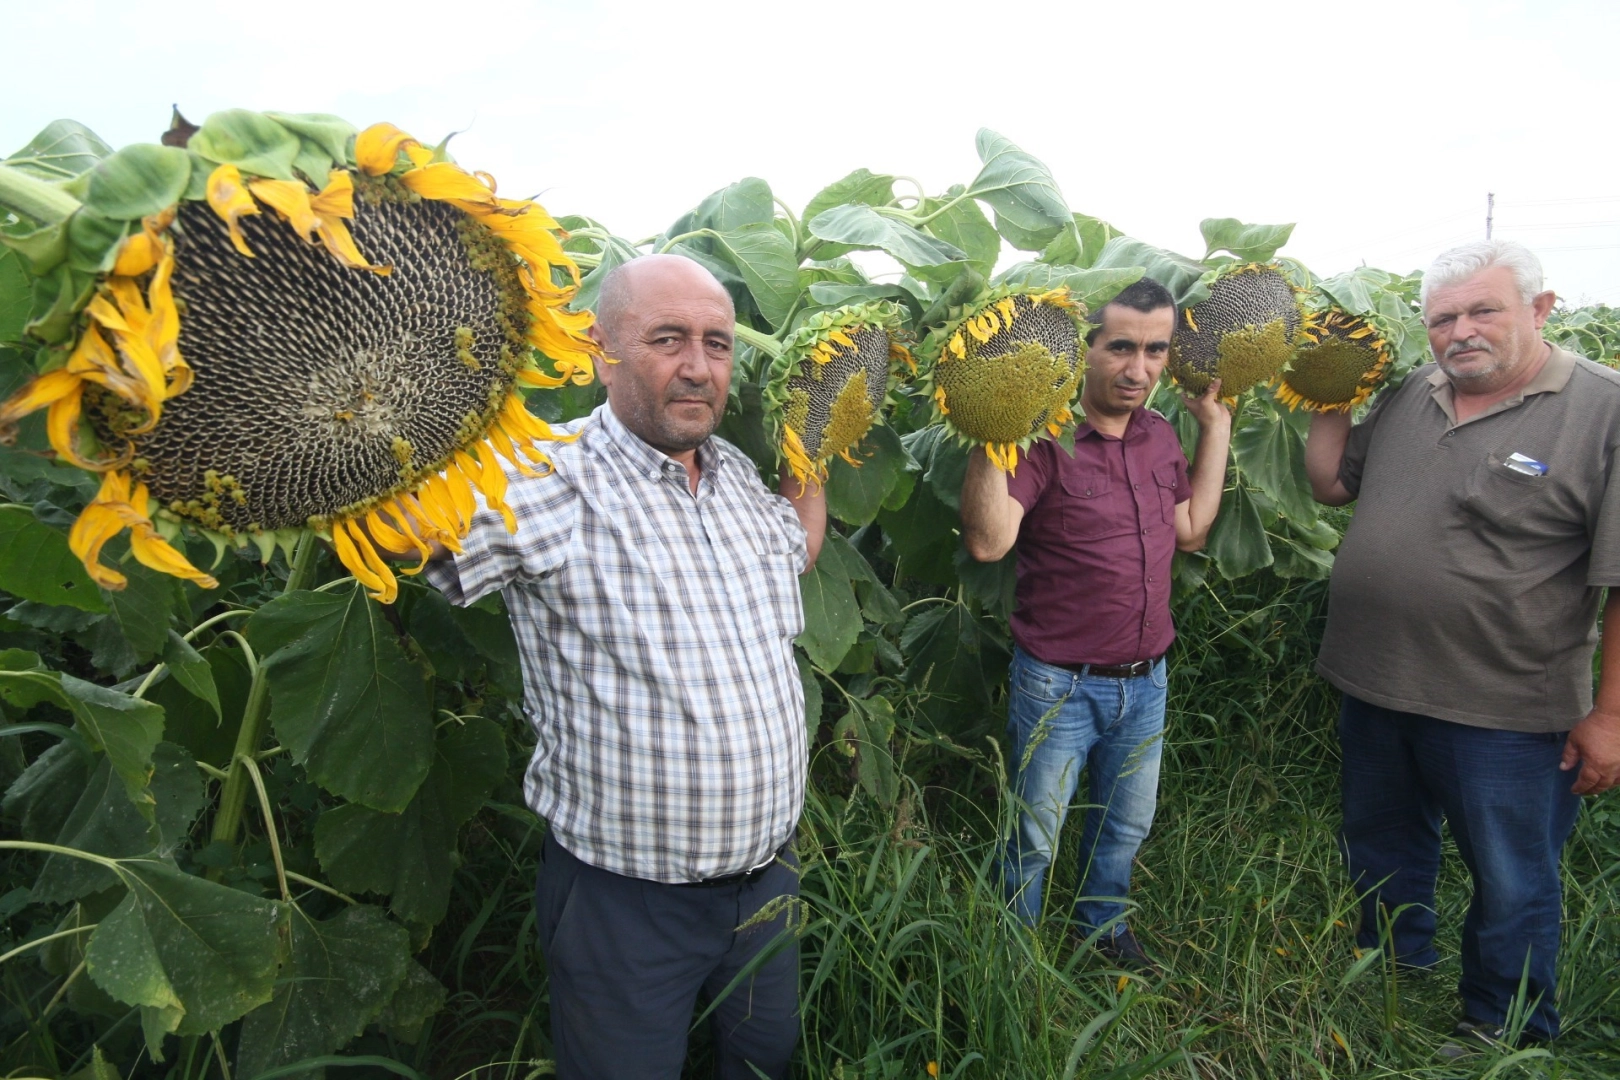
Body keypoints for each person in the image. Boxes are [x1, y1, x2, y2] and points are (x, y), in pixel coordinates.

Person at [406, 254, 825, 1078]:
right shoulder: (551, 476)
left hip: (766, 887)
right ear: (601, 350)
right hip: (626, 903)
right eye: (668, 339)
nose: (699, 367)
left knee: (765, 1063)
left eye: (717, 342)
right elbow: (411, 535)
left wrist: (814, 437)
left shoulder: (735, 476)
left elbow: (796, 550)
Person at [1304, 240, 1620, 1050]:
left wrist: (1611, 716)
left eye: (1484, 310)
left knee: (1512, 877)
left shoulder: (1602, 410)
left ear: (1542, 310)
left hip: (1507, 705)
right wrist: (1324, 392)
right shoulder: (1416, 389)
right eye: (1443, 318)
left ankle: (1504, 1031)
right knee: (1381, 843)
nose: (1461, 332)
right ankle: (1391, 975)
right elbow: (1336, 484)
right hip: (1376, 681)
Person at [958, 277, 1232, 968]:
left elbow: (1193, 528)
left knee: (1125, 825)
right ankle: (1008, 955)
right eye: (1120, 348)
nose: (1138, 369)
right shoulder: (1043, 441)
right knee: (1034, 832)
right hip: (1059, 684)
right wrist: (995, 427)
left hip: (1146, 680)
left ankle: (1101, 930)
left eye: (1155, 350)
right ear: (1085, 349)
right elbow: (989, 542)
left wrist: (1217, 428)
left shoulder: (1160, 436)